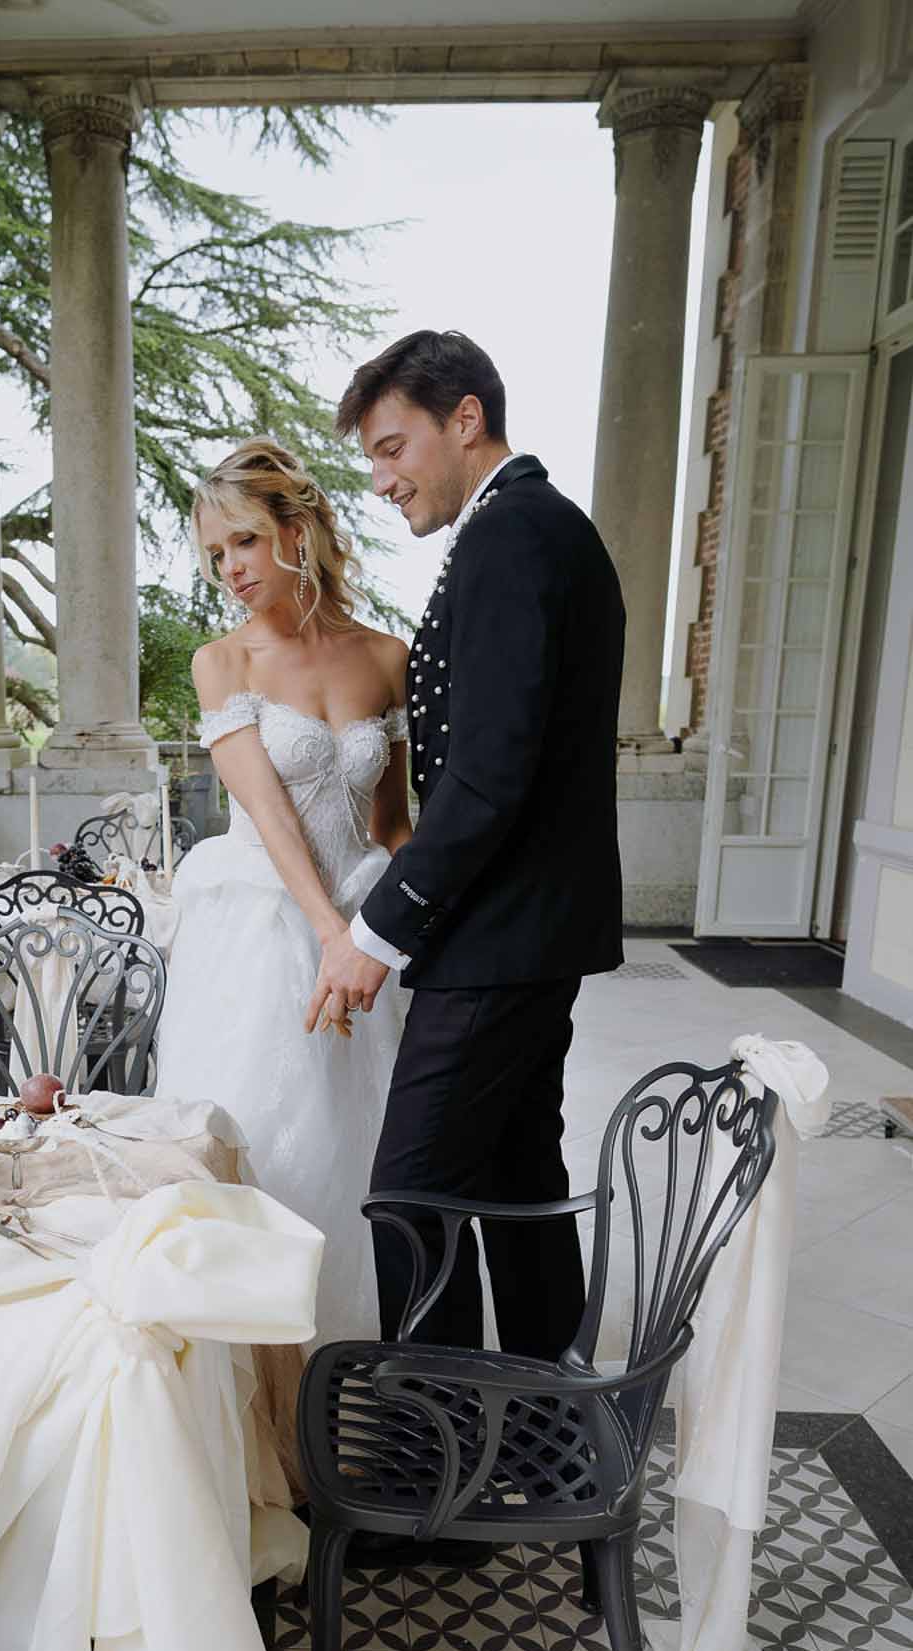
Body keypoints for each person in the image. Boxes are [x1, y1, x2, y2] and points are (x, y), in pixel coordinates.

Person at [308, 328, 625, 1359]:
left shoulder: (513, 537)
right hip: (522, 934)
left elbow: (488, 777)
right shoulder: (527, 528)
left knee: (409, 1197)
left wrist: (379, 928)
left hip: (498, 939)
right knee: (514, 1175)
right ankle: (543, 1413)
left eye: (394, 448)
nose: (383, 479)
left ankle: (429, 1475)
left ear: (466, 419)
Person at [155, 438, 411, 1346]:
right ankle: (257, 1378)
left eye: (243, 543)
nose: (228, 570)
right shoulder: (224, 664)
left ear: (295, 530)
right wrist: (328, 934)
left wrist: (386, 935)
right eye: (215, 553)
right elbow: (268, 815)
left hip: (368, 937)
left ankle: (357, 1360)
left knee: (365, 1146)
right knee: (272, 1141)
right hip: (266, 932)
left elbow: (393, 826)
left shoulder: (386, 656)